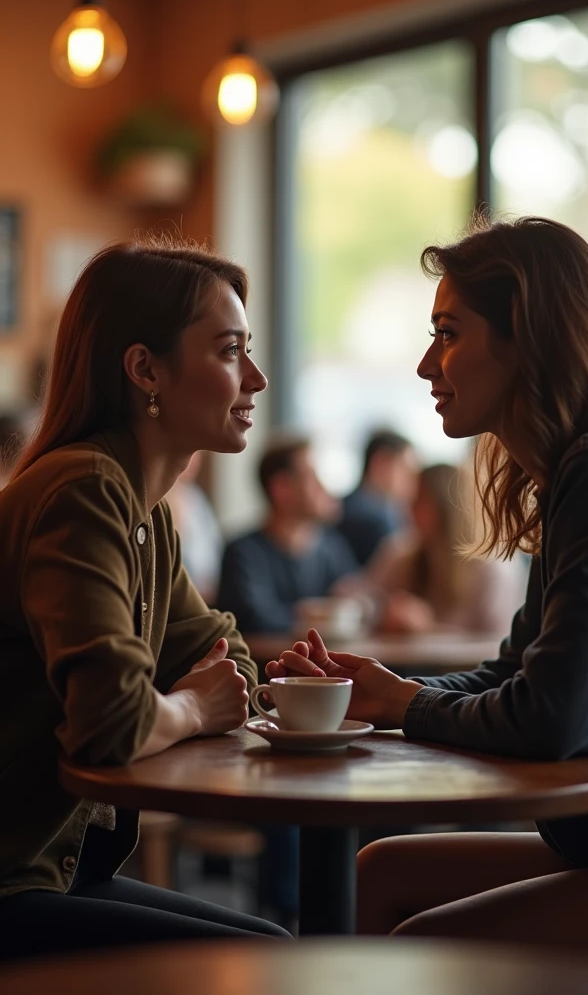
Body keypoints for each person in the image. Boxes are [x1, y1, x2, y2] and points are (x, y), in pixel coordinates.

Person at [269, 214, 588, 961]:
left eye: (449, 333)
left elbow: (553, 719)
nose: (428, 366)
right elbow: (515, 675)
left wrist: (406, 704)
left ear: (528, 338)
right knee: (382, 869)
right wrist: (389, 689)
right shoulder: (581, 473)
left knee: (427, 941)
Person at [0, 236, 291, 962]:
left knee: (278, 948)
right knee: (276, 961)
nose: (255, 378)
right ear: (145, 369)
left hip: (56, 874)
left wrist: (197, 696)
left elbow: (232, 669)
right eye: (229, 351)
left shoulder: (144, 512)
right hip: (13, 884)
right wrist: (189, 707)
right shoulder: (85, 491)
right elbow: (111, 721)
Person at [216, 436, 359, 634]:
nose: (325, 488)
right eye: (312, 477)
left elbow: (354, 600)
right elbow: (253, 618)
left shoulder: (331, 547)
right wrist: (317, 616)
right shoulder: (243, 553)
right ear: (282, 489)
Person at [369, 461, 527, 635]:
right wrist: (381, 612)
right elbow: (363, 596)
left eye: (419, 501)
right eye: (409, 500)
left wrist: (427, 628)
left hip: (469, 663)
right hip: (400, 662)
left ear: (447, 507)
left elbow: (498, 642)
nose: (407, 510)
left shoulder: (492, 566)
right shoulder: (401, 554)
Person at [337, 429, 418, 566]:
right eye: (405, 469)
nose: (411, 480)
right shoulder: (377, 520)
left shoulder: (343, 505)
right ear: (380, 462)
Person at [166, 450, 224, 604]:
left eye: (198, 455)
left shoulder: (197, 500)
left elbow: (213, 557)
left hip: (202, 599)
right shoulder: (155, 497)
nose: (195, 461)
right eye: (191, 451)